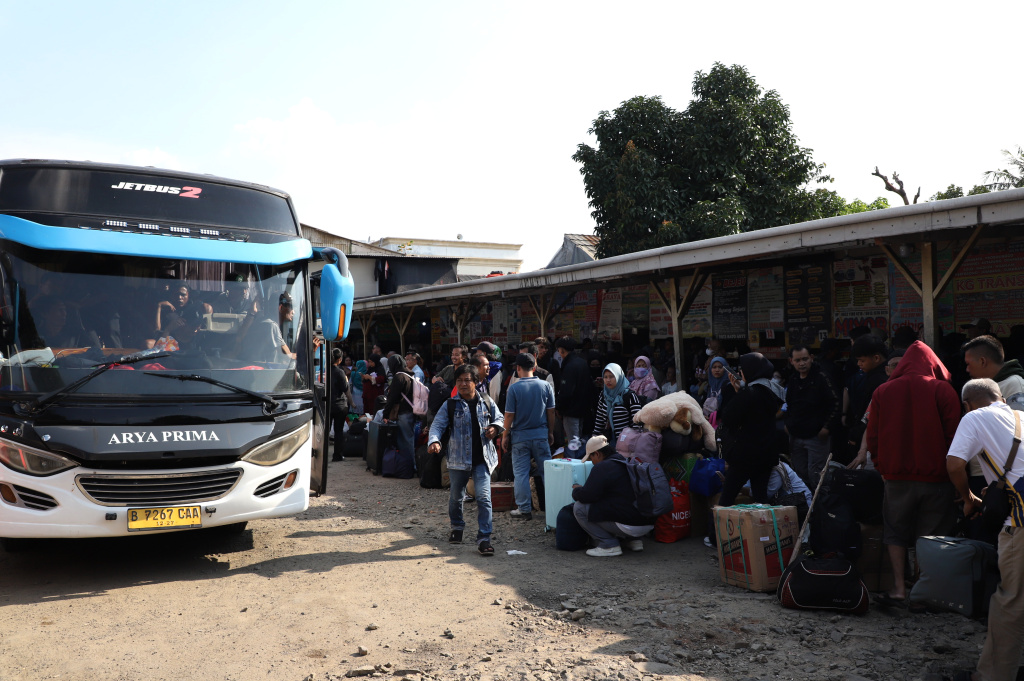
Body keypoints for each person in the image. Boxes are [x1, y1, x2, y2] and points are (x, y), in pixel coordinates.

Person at [866, 340, 960, 606]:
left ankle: (898, 588)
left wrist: (881, 466)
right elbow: (955, 438)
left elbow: (872, 436)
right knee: (930, 536)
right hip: (937, 479)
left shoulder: (883, 392)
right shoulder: (943, 390)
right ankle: (922, 588)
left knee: (895, 531)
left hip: (896, 478)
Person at [945, 378, 1024, 681]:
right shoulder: (1020, 416)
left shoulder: (974, 417)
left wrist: (968, 498)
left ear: (968, 403)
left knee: (1010, 601)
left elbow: (954, 464)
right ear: (1000, 396)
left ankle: (994, 676)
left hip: (1020, 522)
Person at [427, 364, 504, 556]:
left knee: (484, 498)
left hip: (482, 459)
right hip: (458, 459)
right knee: (456, 497)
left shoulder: (486, 401)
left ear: (476, 382)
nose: (462, 384)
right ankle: (457, 527)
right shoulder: (450, 404)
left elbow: (500, 418)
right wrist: (434, 441)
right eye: (459, 380)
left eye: (467, 380)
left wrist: (495, 427)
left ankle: (484, 538)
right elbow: (437, 425)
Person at [717, 353, 786, 507]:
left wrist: (738, 393)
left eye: (742, 370)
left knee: (727, 499)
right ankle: (763, 530)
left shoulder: (749, 393)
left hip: (746, 455)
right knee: (760, 499)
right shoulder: (771, 390)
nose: (740, 373)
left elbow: (728, 417)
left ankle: (718, 532)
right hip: (766, 454)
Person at [571, 436, 656, 557]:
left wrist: (577, 490)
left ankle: (609, 545)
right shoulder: (626, 462)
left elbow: (586, 496)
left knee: (579, 507)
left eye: (591, 457)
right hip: (647, 523)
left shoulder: (602, 467)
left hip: (628, 525)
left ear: (597, 454)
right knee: (622, 502)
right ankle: (634, 541)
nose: (591, 461)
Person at [501, 353, 556, 520]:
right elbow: (551, 412)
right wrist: (550, 432)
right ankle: (553, 507)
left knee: (521, 473)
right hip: (540, 435)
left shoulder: (514, 388)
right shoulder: (546, 386)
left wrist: (504, 435)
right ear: (534, 367)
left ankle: (524, 509)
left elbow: (509, 415)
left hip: (520, 438)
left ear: (517, 368)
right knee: (547, 472)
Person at [784, 344, 838, 487]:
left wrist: (826, 427)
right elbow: (789, 404)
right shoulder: (793, 379)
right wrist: (788, 423)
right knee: (800, 474)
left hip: (816, 436)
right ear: (791, 361)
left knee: (817, 475)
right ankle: (806, 506)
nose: (802, 363)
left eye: (805, 359)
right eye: (798, 360)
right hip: (796, 436)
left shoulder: (822, 377)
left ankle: (822, 505)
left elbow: (835, 404)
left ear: (811, 358)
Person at [843, 335, 888, 463]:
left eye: (862, 360)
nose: (859, 364)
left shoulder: (878, 380)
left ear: (876, 358)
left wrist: (857, 434)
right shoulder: (873, 376)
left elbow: (868, 413)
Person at [591, 363, 643, 442]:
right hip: (607, 441)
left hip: (626, 443)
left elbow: (637, 424)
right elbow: (599, 421)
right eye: (605, 377)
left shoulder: (629, 396)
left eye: (611, 376)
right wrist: (594, 440)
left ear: (619, 376)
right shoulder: (603, 395)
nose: (608, 380)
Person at [382, 354, 416, 469]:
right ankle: (409, 464)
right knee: (408, 438)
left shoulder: (399, 377)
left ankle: (409, 465)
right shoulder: (409, 374)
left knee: (405, 440)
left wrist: (385, 414)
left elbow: (392, 398)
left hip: (403, 412)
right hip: (411, 410)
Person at [554, 336, 590, 443]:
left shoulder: (569, 366)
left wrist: (559, 408)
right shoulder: (582, 362)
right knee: (580, 441)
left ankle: (574, 459)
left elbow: (566, 392)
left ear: (561, 350)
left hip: (571, 411)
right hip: (583, 410)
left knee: (573, 443)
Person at [700, 356, 734, 423]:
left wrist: (711, 417)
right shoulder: (709, 386)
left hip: (721, 424)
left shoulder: (729, 386)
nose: (717, 370)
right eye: (714, 367)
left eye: (720, 367)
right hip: (707, 421)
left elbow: (727, 408)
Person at [330, 348, 350, 462]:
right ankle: (337, 455)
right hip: (339, 405)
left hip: (327, 404)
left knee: (324, 430)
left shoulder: (325, 370)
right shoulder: (340, 372)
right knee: (338, 431)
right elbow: (345, 388)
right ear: (340, 359)